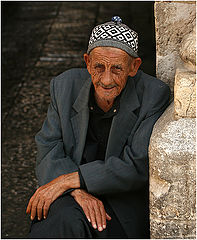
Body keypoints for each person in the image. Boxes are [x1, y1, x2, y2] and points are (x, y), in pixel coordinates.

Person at [26, 16, 170, 238]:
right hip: (71, 197)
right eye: (99, 67)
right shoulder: (64, 86)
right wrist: (76, 190)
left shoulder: (153, 94)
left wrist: (70, 180)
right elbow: (48, 148)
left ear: (134, 66)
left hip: (119, 202)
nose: (106, 79)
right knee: (60, 221)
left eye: (117, 69)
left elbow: (137, 164)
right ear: (87, 62)